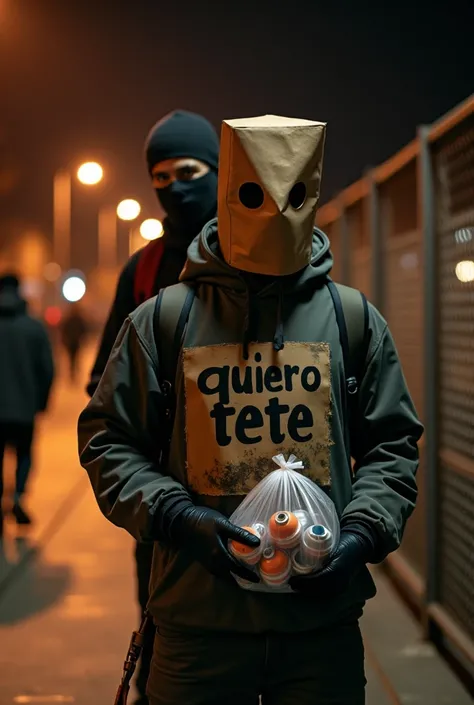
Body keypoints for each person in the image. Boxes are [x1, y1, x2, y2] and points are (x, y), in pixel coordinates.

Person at [78, 115, 423, 705]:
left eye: (292, 196)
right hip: (198, 626)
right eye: (255, 195)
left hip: (319, 629)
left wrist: (361, 534)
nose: (275, 212)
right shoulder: (165, 320)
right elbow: (109, 439)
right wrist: (177, 517)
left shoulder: (351, 320)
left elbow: (393, 446)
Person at [86, 109, 219, 704]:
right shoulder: (142, 269)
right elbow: (104, 384)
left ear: (218, 169)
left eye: (188, 170)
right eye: (159, 175)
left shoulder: (262, 257)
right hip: (167, 496)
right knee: (162, 610)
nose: (172, 186)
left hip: (262, 484)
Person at [0, 274, 54, 532]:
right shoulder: (33, 327)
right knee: (23, 455)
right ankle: (18, 497)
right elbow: (47, 368)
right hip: (23, 407)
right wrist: (41, 401)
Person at [60, 303, 88, 383]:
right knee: (75, 358)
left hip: (72, 341)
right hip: (75, 341)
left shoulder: (70, 319)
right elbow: (83, 330)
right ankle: (74, 373)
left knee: (72, 358)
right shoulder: (79, 319)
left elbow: (64, 330)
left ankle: (73, 373)